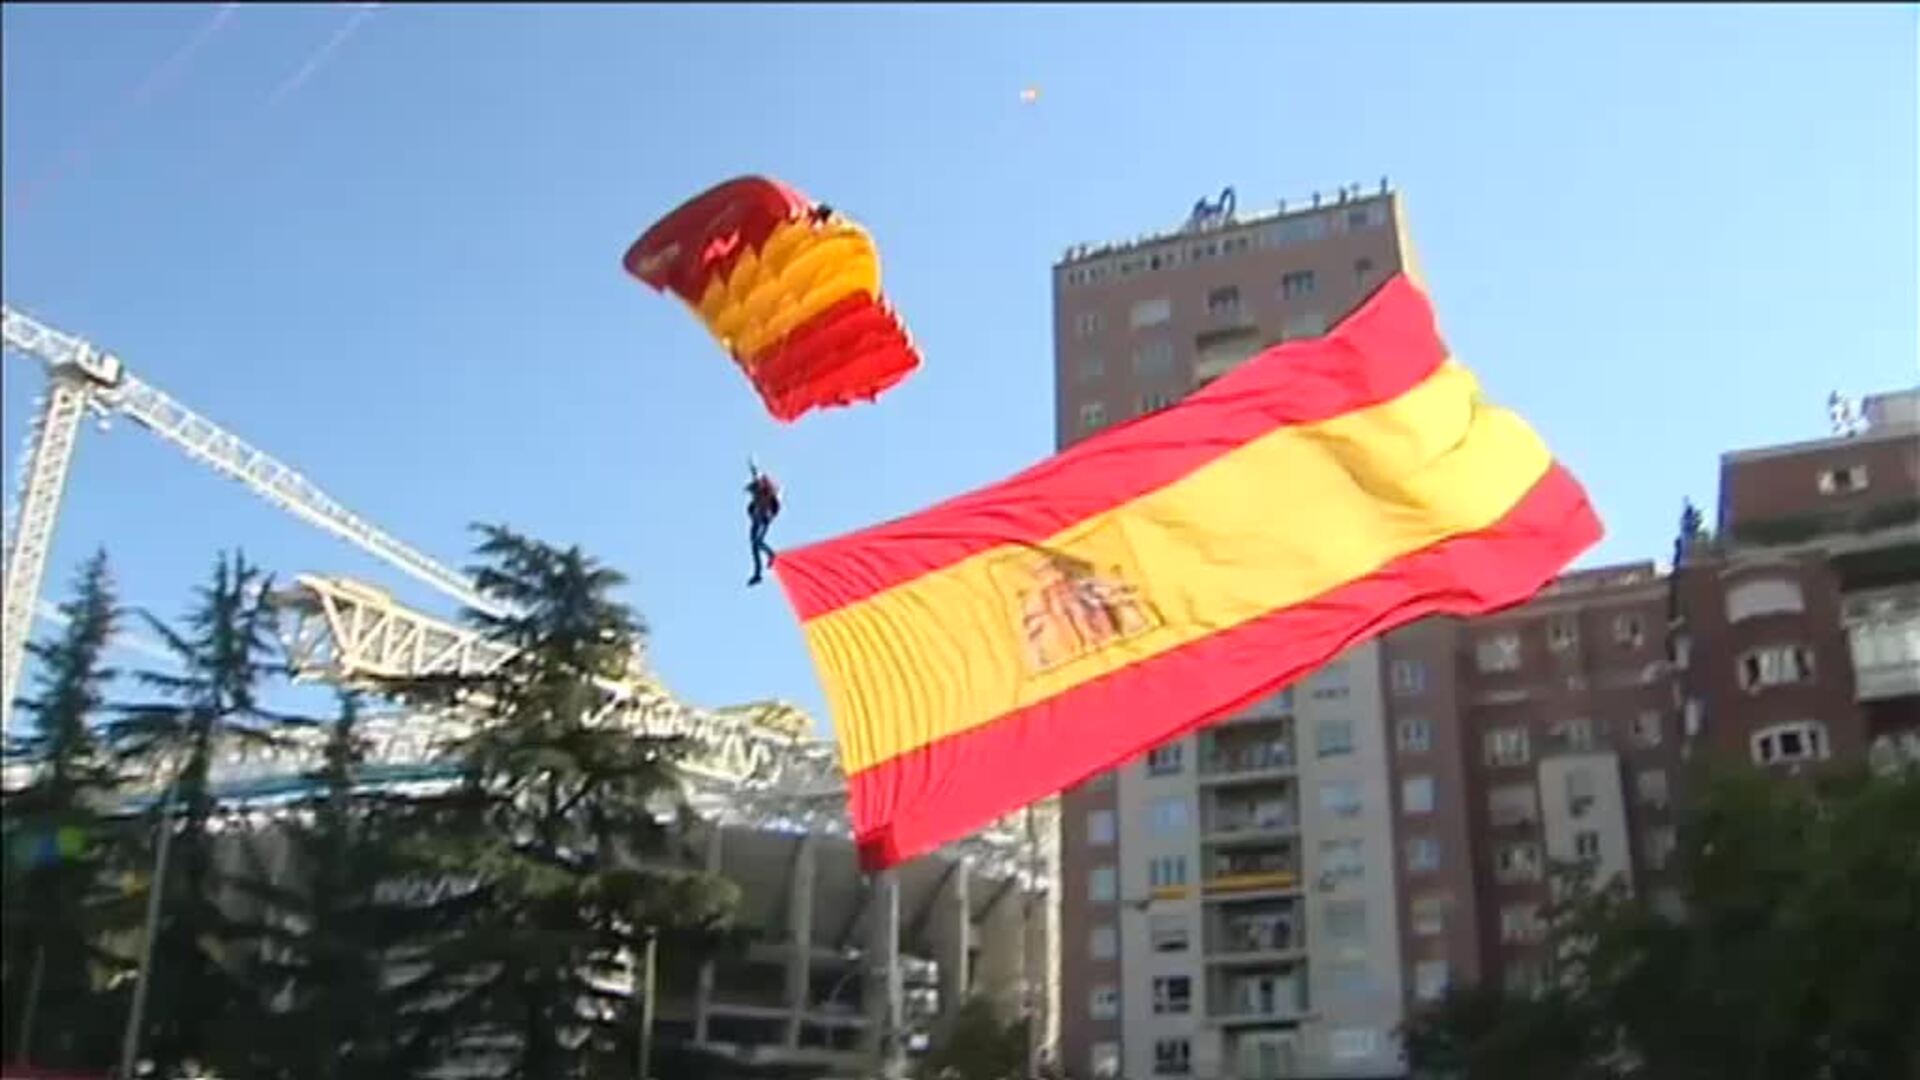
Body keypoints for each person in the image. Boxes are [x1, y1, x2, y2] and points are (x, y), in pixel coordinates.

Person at [746, 463, 781, 586]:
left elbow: (759, 481)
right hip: (757, 522)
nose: (752, 494)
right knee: (754, 547)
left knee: (757, 542)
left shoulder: (763, 496)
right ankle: (757, 574)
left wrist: (754, 470)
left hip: (763, 521)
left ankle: (772, 555)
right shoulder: (754, 504)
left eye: (753, 491)